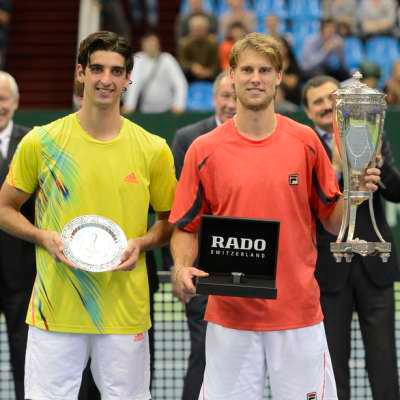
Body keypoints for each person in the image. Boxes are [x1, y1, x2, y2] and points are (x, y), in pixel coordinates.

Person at [168, 32, 381, 400]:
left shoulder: (305, 142)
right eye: (247, 69)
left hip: (297, 315)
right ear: (231, 74)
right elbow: (185, 227)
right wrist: (182, 266)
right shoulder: (204, 149)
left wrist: (355, 191)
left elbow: (332, 220)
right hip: (230, 317)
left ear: (279, 77)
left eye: (265, 70)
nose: (256, 78)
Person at [0, 31, 176, 400]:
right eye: (96, 68)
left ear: (129, 79)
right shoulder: (41, 141)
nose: (106, 80)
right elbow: (4, 209)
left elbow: (169, 222)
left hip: (125, 312)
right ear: (80, 72)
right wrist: (41, 236)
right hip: (55, 310)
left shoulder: (153, 149)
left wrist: (142, 242)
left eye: (116, 71)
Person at [303, 75, 400, 400]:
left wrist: (380, 168)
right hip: (328, 268)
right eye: (318, 102)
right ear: (307, 110)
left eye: (332, 98)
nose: (327, 106)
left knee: (384, 362)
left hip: (376, 264)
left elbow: (396, 192)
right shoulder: (305, 147)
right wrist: (333, 167)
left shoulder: (371, 133)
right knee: (332, 364)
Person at [171, 70, 236, 400]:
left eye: (235, 96)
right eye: (225, 96)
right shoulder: (188, 139)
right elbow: (181, 211)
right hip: (203, 269)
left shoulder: (266, 138)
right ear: (214, 99)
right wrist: (181, 265)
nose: (230, 104)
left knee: (244, 356)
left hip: (250, 266)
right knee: (204, 350)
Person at [0, 72, 35, 400]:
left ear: (16, 102)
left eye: (3, 98)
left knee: (25, 354)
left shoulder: (31, 144)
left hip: (22, 274)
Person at [123, 32, 188, 113]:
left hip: (168, 110)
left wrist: (179, 105)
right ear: (142, 44)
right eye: (148, 43)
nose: (151, 46)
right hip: (144, 110)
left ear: (158, 44)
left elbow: (180, 83)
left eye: (153, 43)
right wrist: (130, 105)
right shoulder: (137, 59)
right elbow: (133, 84)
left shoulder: (167, 59)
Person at [301, 18, 349, 82]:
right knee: (321, 74)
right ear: (321, 29)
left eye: (333, 28)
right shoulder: (310, 41)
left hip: (325, 68)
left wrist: (340, 51)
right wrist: (325, 50)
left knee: (344, 73)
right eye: (328, 28)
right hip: (308, 69)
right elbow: (311, 63)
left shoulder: (335, 40)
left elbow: (340, 64)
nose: (331, 31)